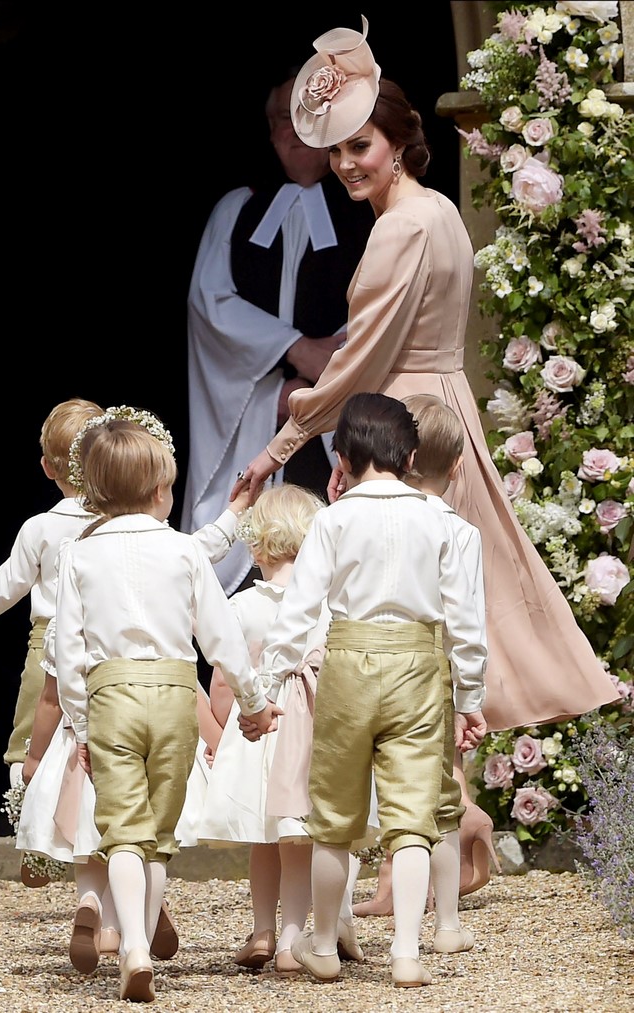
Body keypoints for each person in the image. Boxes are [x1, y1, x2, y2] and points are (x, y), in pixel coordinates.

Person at [233, 16, 619, 861]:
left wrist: (284, 442)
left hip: (404, 430)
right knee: (437, 619)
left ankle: (441, 832)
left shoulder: (404, 225)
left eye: (360, 145)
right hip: (432, 413)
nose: (345, 164)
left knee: (398, 625)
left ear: (402, 140)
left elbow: (363, 351)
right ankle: (456, 826)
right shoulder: (437, 211)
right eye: (336, 150)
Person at [240, 392, 487, 987]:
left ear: (342, 459)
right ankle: (406, 952)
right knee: (411, 816)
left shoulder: (333, 519)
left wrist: (270, 685)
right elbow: (466, 624)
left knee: (333, 815)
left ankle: (323, 942)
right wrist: (469, 699)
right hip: (419, 668)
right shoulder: (445, 524)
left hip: (347, 664)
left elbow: (298, 614)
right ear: (409, 454)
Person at [51, 410, 281, 1003]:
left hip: (111, 695)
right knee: (158, 836)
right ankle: (141, 940)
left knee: (122, 832)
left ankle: (130, 947)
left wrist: (79, 722)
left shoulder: (79, 556)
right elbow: (222, 636)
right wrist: (252, 703)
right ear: (161, 491)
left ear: (94, 490)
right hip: (176, 694)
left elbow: (66, 650)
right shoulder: (182, 552)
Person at [182, 63, 374, 598]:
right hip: (257, 409)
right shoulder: (238, 209)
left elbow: (383, 303)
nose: (290, 132)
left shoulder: (369, 213)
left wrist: (327, 374)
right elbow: (212, 304)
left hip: (337, 404)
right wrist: (291, 356)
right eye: (279, 121)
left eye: (303, 117)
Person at [348, 394, 497, 939]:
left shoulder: (368, 516)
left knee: (378, 780)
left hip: (365, 661)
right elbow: (468, 623)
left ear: (402, 456)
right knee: (435, 794)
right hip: (431, 668)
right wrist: (470, 697)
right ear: (457, 467)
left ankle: (390, 892)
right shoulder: (456, 530)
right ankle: (446, 920)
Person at [192, 484, 341, 975]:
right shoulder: (326, 607)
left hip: (257, 732)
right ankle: (291, 942)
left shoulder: (241, 607)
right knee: (298, 839)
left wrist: (221, 738)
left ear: (255, 547)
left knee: (263, 841)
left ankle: (261, 930)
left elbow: (222, 688)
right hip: (311, 735)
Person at [0, 398, 103, 792]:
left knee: (28, 749)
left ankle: (32, 840)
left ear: (47, 467)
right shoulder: (121, 522)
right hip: (109, 647)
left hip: (48, 648)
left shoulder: (40, 528)